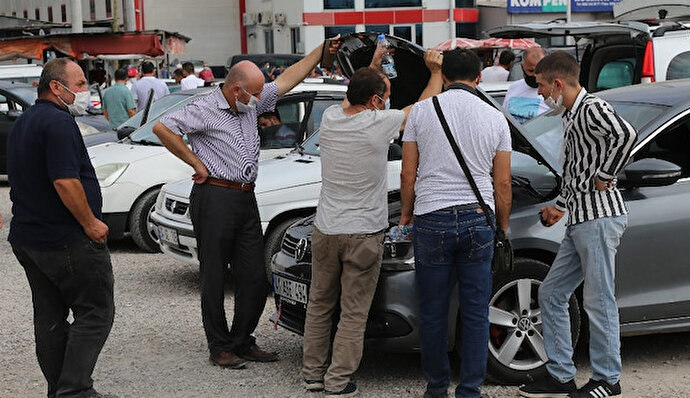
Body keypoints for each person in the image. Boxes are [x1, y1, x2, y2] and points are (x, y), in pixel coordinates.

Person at [152, 37, 343, 370]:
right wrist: (195, 163)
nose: (260, 99)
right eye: (254, 93)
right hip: (214, 195)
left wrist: (320, 51)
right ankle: (220, 345)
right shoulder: (204, 108)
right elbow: (162, 127)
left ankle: (242, 339)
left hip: (244, 195)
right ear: (235, 89)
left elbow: (287, 79)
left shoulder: (250, 100)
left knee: (254, 276)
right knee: (213, 274)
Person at [301, 47, 443, 397]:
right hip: (363, 232)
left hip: (326, 228)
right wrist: (436, 73)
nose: (389, 102)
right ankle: (337, 382)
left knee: (319, 304)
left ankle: (312, 376)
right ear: (377, 101)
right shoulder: (378, 124)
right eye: (387, 96)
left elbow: (357, 88)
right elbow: (422, 108)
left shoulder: (331, 118)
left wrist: (376, 63)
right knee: (353, 311)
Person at [518, 51, 637, 398]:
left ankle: (607, 380)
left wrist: (605, 175)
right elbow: (577, 172)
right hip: (583, 219)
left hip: (598, 218)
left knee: (599, 301)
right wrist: (560, 205)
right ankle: (560, 376)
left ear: (557, 83)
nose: (539, 93)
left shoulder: (591, 108)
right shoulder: (573, 114)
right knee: (552, 293)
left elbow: (625, 135)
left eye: (541, 86)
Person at [399, 48, 512, 398]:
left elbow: (407, 173)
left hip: (431, 217)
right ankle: (470, 389)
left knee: (432, 309)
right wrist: (502, 226)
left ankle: (436, 387)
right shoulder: (495, 117)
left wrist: (406, 214)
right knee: (476, 310)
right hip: (478, 219)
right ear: (479, 78)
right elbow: (503, 184)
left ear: (444, 77)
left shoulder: (421, 112)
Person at [6, 58, 115, 398]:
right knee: (96, 311)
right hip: (63, 238)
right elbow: (65, 181)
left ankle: (60, 389)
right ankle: (74, 390)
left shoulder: (25, 121)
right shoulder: (57, 123)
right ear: (56, 86)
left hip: (30, 236)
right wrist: (91, 223)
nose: (84, 92)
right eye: (80, 84)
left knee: (50, 318)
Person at [503, 47, 549, 124]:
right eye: (531, 71)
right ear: (522, 67)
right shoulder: (513, 88)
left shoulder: (554, 92)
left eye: (539, 70)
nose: (535, 75)